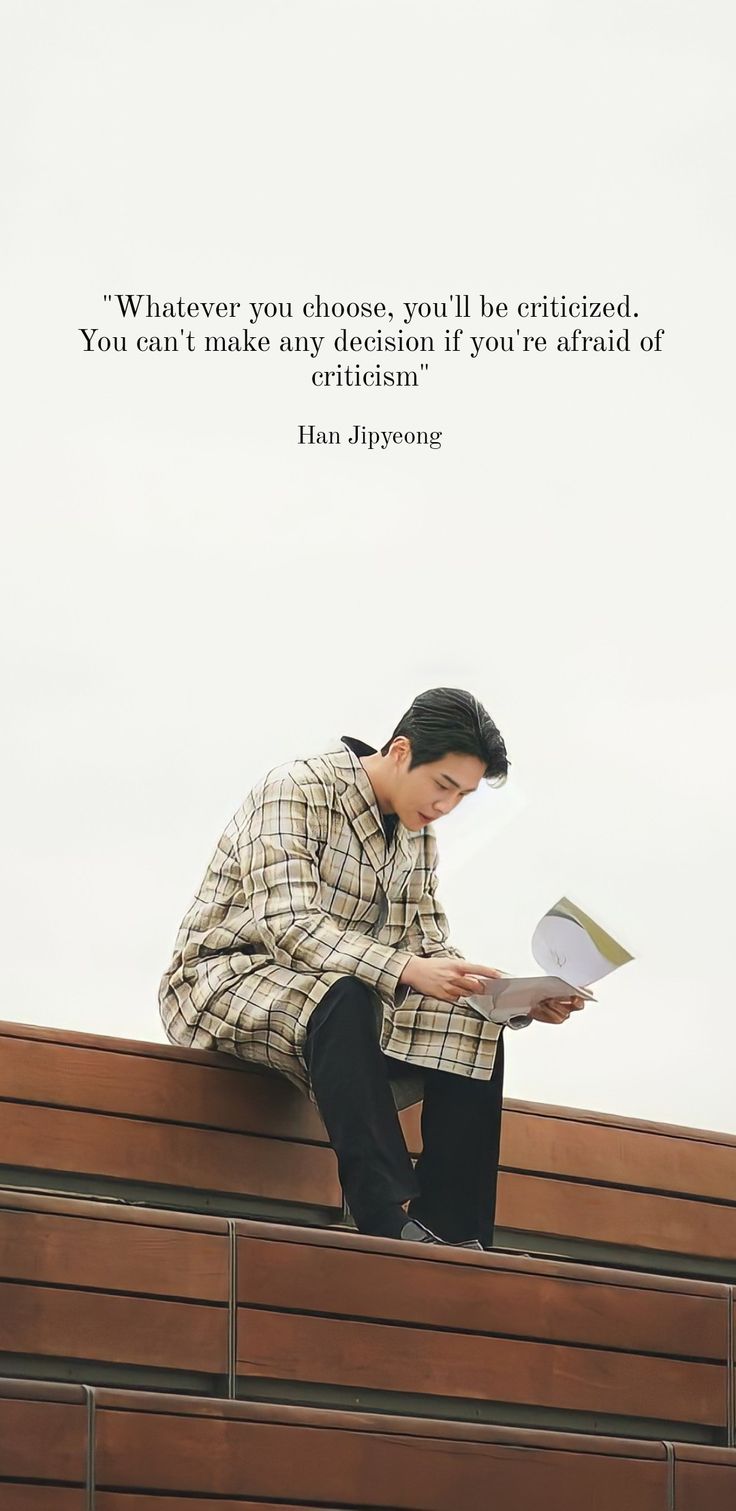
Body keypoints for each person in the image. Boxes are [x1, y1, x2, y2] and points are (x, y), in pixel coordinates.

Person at [159, 687, 585, 1251]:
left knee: (471, 1025)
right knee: (345, 994)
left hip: (339, 1001)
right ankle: (383, 1213)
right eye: (443, 786)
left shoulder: (417, 833)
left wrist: (514, 1000)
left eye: (462, 796)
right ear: (401, 750)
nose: (445, 807)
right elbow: (287, 924)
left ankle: (455, 1231)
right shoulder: (296, 788)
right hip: (223, 979)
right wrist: (408, 969)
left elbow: (431, 946)